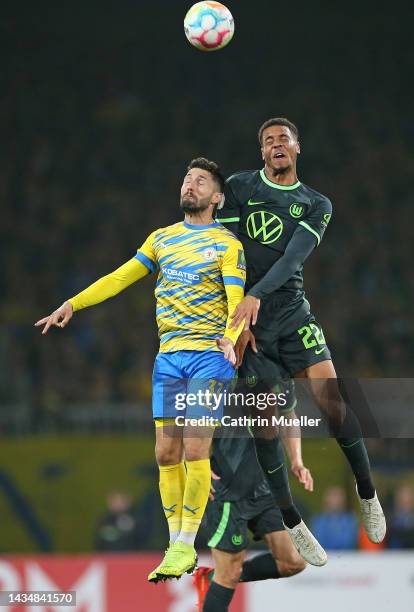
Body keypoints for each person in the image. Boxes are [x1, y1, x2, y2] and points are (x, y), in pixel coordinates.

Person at [34, 157, 247, 582]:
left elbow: (236, 296)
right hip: (169, 359)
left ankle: (188, 543)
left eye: (200, 181)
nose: (190, 185)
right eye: (187, 179)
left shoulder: (227, 244)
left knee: (195, 449)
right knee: (166, 453)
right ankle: (176, 547)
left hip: (209, 356)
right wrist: (73, 303)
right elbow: (119, 277)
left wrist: (229, 335)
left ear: (217, 197)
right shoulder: (162, 239)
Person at [216, 117, 386, 554]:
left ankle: (366, 492)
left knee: (333, 402)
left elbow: (293, 258)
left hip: (292, 315)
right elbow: (228, 249)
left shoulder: (316, 204)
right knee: (266, 426)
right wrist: (237, 315)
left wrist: (255, 295)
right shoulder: (239, 187)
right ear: (261, 152)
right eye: (268, 140)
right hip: (250, 328)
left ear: (296, 148)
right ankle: (291, 520)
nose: (276, 144)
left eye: (283, 139)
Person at [194, 397, 312, 612]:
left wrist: (297, 460)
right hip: (227, 492)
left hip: (266, 488)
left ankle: (214, 578)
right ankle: (221, 577)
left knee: (294, 561)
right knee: (228, 573)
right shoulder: (218, 377)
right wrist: (193, 463)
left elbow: (288, 415)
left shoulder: (276, 374)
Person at [310, 486, 358, 550]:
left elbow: (349, 541)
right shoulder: (318, 520)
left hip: (346, 557)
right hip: (323, 556)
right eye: (334, 496)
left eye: (339, 497)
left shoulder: (350, 520)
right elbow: (317, 540)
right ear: (326, 499)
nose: (336, 500)